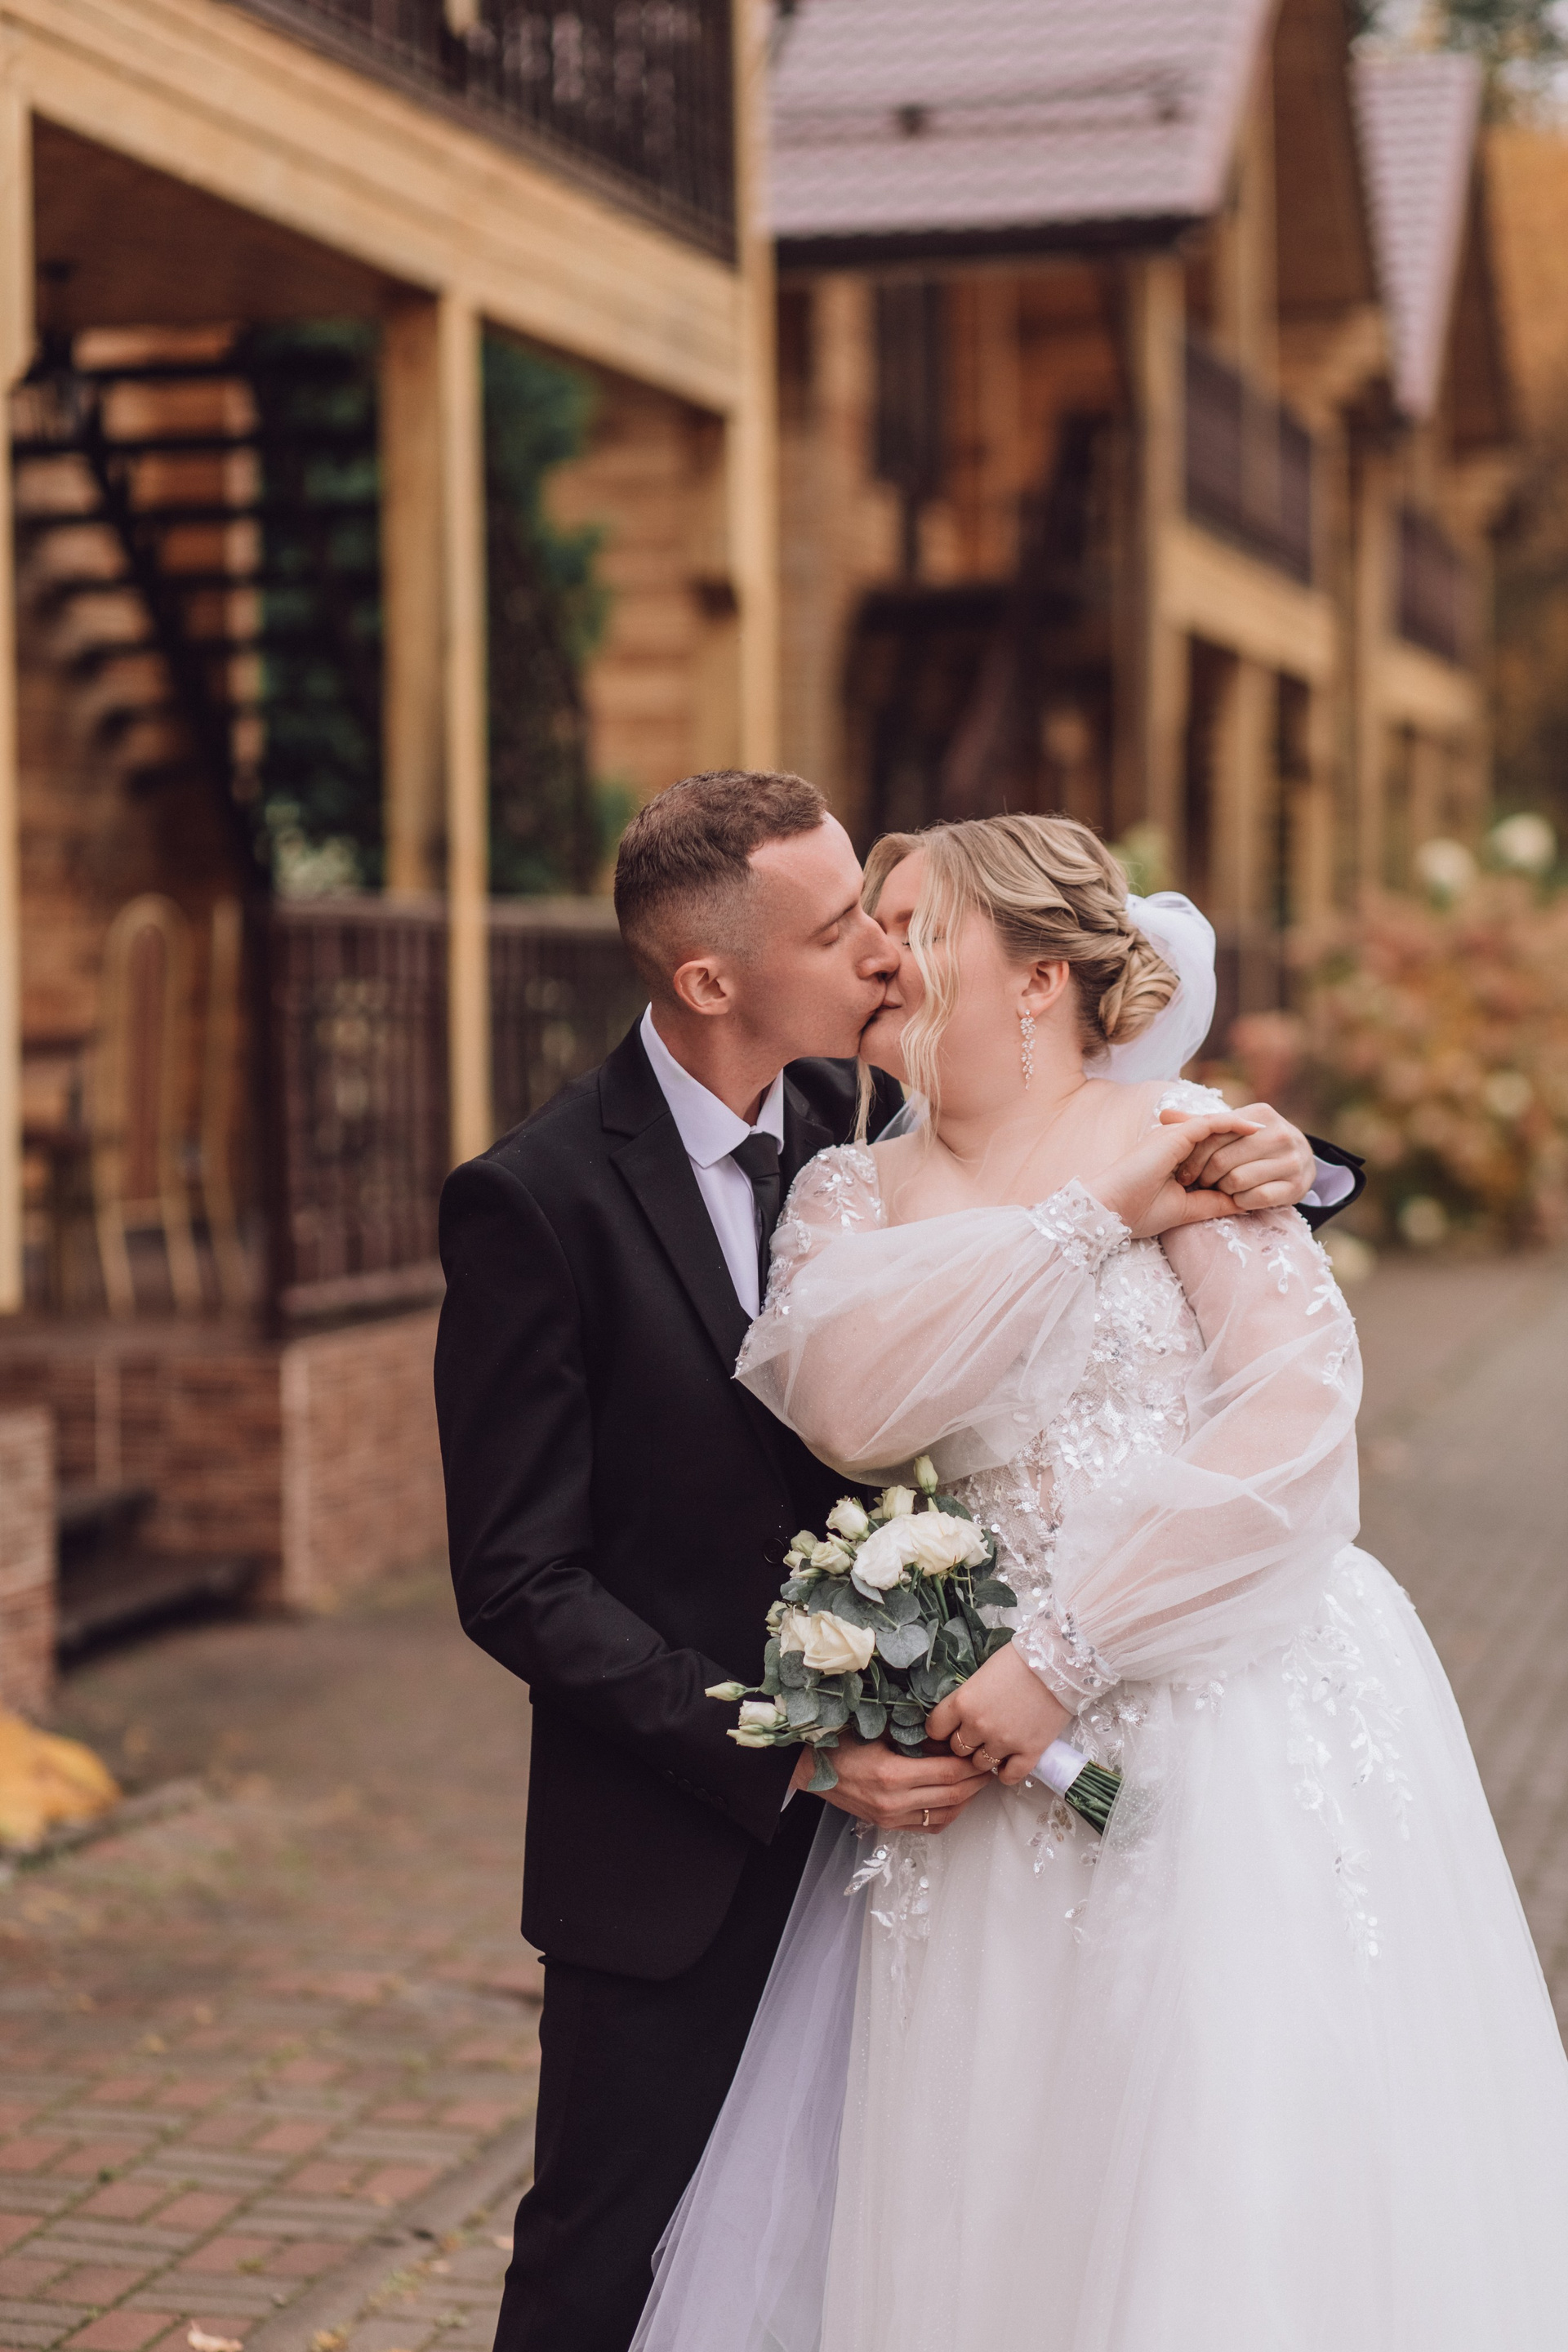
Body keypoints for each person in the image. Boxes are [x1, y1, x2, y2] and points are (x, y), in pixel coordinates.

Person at [434, 773, 1357, 2352]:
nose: (881, 948)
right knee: (607, 2257)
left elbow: (1094, 1145)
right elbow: (520, 1579)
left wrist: (1285, 1154)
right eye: (838, 928)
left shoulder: (861, 1113)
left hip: (963, 1808)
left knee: (957, 2219)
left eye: (885, 912)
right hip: (689, 1829)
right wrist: (793, 1751)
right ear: (711, 979)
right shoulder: (538, 1199)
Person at [632, 813, 1568, 2352]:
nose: (882, 958)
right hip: (989, 1783)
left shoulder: (1194, 1136)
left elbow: (1294, 1429)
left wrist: (1065, 1653)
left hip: (1226, 1720)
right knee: (1002, 2166)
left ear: (1037, 977)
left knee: (1221, 2147)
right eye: (869, 927)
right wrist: (1090, 1224)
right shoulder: (846, 1189)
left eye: (919, 926)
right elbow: (854, 1409)